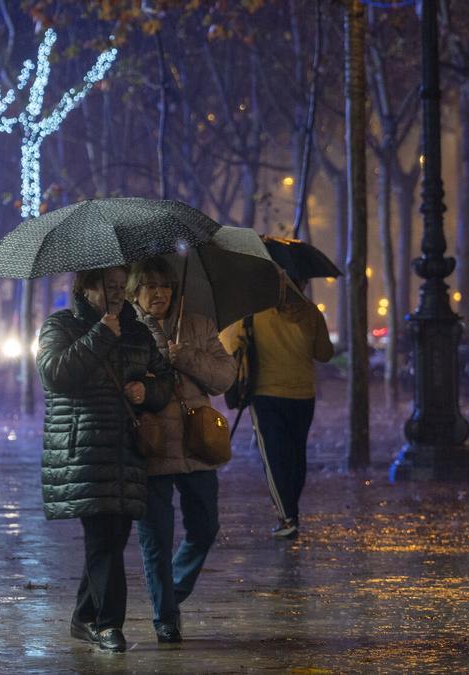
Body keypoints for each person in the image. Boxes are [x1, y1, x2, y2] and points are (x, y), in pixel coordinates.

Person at [35, 265, 174, 652]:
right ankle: (109, 624)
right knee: (102, 536)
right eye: (108, 286)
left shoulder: (137, 330)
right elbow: (53, 374)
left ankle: (84, 618)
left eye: (120, 286)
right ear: (86, 287)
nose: (117, 293)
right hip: (81, 450)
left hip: (127, 450)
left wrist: (147, 391)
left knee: (112, 539)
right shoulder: (60, 325)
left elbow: (165, 380)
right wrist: (99, 336)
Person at [127, 258, 235, 643]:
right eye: (150, 286)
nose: (160, 294)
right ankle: (165, 617)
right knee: (156, 537)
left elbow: (225, 376)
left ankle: (170, 594)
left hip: (196, 444)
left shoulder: (198, 324)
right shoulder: (125, 329)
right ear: (135, 291)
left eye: (166, 286)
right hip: (151, 444)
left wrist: (185, 355)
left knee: (205, 527)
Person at [218, 278, 333, 539]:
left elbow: (227, 345)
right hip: (304, 395)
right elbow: (324, 352)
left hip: (266, 394)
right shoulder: (311, 312)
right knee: (296, 454)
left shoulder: (252, 313)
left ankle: (287, 517)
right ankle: (291, 510)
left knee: (273, 458)